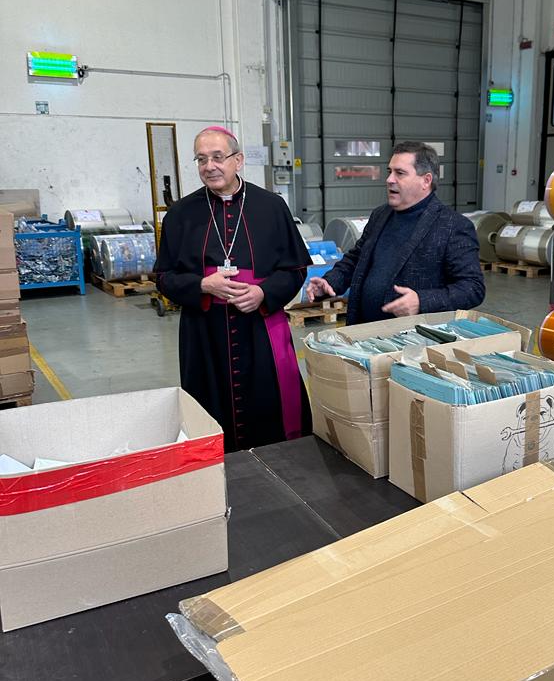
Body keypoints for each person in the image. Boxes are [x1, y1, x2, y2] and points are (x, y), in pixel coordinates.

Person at [155, 126, 312, 452]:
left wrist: (263, 293)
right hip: (204, 334)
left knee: (270, 411)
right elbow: (164, 277)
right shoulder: (180, 214)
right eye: (201, 159)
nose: (209, 166)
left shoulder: (271, 206)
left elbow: (295, 269)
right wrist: (202, 284)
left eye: (217, 157)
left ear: (238, 160)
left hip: (260, 330)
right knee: (210, 412)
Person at [306, 142, 485, 324]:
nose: (389, 179)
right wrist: (330, 281)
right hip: (363, 330)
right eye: (389, 171)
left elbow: (473, 288)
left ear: (426, 180)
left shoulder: (453, 226)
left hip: (411, 337)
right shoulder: (380, 215)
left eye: (400, 173)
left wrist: (421, 301)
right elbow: (356, 259)